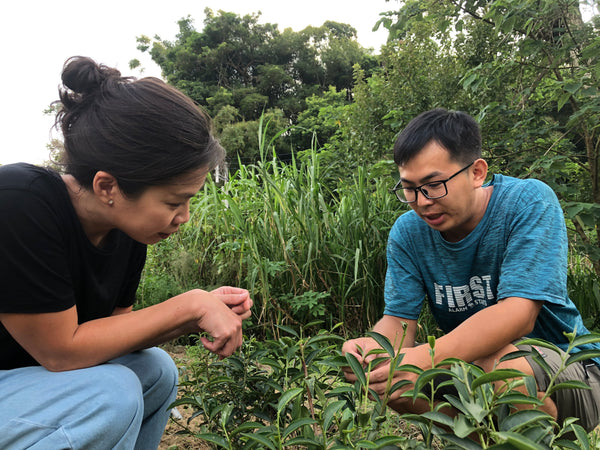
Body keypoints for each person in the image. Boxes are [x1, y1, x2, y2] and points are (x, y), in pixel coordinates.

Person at [0, 56, 253, 449]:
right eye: (174, 202)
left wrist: (195, 315)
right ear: (107, 187)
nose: (183, 217)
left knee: (156, 370)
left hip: (26, 386)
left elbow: (115, 334)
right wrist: (188, 306)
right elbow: (60, 352)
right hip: (20, 379)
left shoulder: (128, 231)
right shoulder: (20, 202)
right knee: (109, 393)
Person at [342, 108, 600, 431]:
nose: (422, 202)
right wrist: (374, 352)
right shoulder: (408, 232)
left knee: (497, 364)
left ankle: (542, 436)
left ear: (477, 172)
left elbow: (519, 314)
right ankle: (482, 439)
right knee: (394, 384)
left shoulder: (528, 202)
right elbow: (398, 321)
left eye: (434, 185)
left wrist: (418, 359)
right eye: (409, 188)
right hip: (471, 369)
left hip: (571, 373)